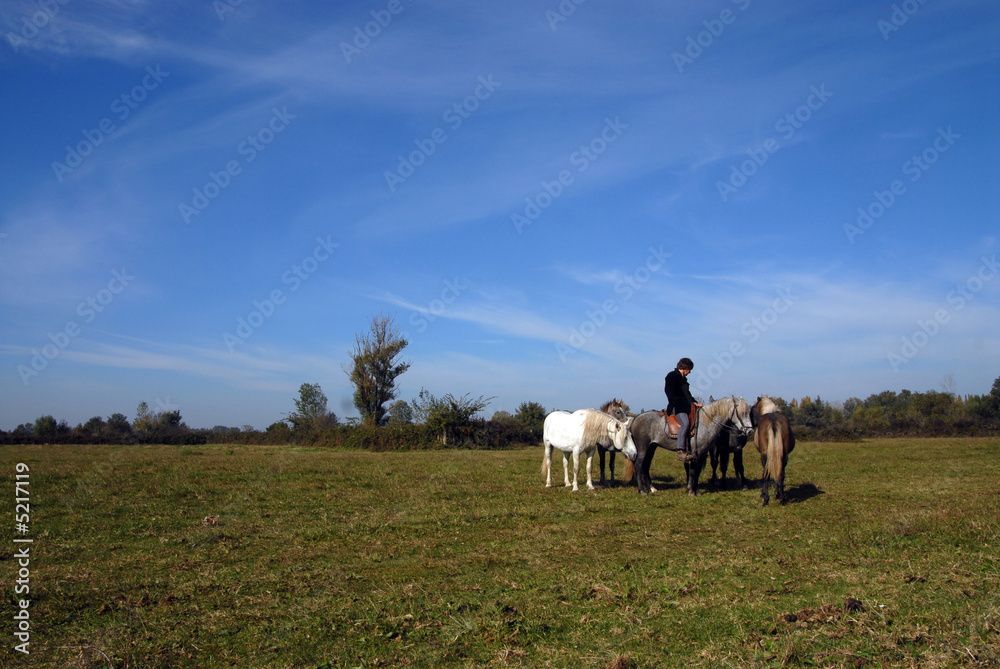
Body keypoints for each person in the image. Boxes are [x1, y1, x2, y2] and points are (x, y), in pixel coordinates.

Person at [664, 357, 702, 458]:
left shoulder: (684, 379)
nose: (690, 372)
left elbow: (687, 394)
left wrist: (694, 402)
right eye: (689, 370)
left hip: (685, 406)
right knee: (685, 423)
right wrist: (677, 402)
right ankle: (681, 450)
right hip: (676, 406)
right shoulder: (672, 376)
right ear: (685, 367)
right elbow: (669, 392)